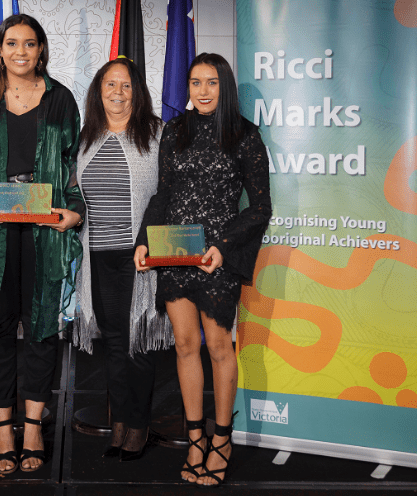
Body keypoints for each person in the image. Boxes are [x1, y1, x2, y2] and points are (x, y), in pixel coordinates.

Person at [0, 14, 83, 475]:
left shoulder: (61, 98)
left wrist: (75, 210)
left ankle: (33, 426)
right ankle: (3, 428)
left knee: (43, 327)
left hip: (46, 231)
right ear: (0, 49)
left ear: (42, 49)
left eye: (30, 43)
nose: (21, 52)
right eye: (12, 43)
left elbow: (73, 166)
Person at [134, 53, 271, 486]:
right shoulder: (174, 131)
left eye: (212, 82)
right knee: (185, 345)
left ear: (224, 86)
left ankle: (223, 439)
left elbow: (261, 207)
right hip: (174, 253)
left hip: (217, 257)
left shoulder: (245, 135)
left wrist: (223, 247)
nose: (203, 91)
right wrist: (144, 240)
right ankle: (196, 439)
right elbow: (162, 195)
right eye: (195, 82)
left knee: (217, 347)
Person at [73, 57, 167, 461]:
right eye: (110, 85)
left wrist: (147, 241)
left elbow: (166, 195)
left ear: (137, 92)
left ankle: (139, 425)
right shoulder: (87, 137)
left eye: (126, 85)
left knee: (137, 342)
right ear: (99, 91)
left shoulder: (156, 133)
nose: (117, 92)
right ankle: (120, 423)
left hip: (139, 257)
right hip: (97, 256)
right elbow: (75, 192)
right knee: (113, 342)